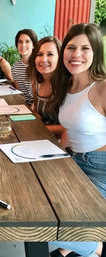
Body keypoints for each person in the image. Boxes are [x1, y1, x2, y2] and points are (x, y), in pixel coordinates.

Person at [48, 23, 106, 257]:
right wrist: (57, 157)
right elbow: (70, 129)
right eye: (71, 47)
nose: (76, 54)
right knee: (33, 205)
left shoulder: (103, 87)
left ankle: (95, 245)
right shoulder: (67, 84)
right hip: (74, 163)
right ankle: (69, 247)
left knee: (43, 228)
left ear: (96, 53)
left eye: (85, 48)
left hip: (100, 171)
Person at [27, 36, 64, 138]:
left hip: (63, 144)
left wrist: (40, 127)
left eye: (50, 54)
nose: (44, 59)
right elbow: (36, 112)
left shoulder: (67, 86)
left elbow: (70, 129)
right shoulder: (36, 84)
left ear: (60, 58)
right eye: (39, 54)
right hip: (41, 136)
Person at [12, 29, 38, 105]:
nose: (23, 45)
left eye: (27, 41)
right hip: (23, 106)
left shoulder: (38, 65)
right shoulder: (15, 67)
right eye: (20, 42)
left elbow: (39, 97)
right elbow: (19, 93)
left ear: (33, 45)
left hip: (36, 108)